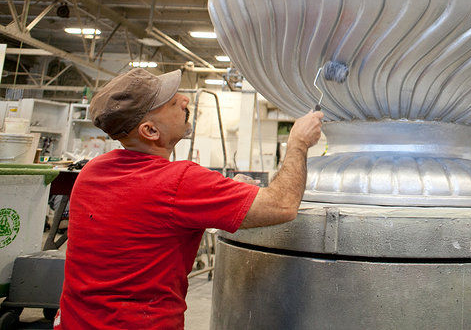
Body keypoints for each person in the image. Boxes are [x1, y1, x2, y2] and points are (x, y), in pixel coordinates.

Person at [55, 68, 323, 330]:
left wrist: (226, 195)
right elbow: (283, 205)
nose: (185, 99)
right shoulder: (179, 182)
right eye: (172, 103)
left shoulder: (92, 171)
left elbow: (149, 215)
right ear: (150, 131)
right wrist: (297, 143)